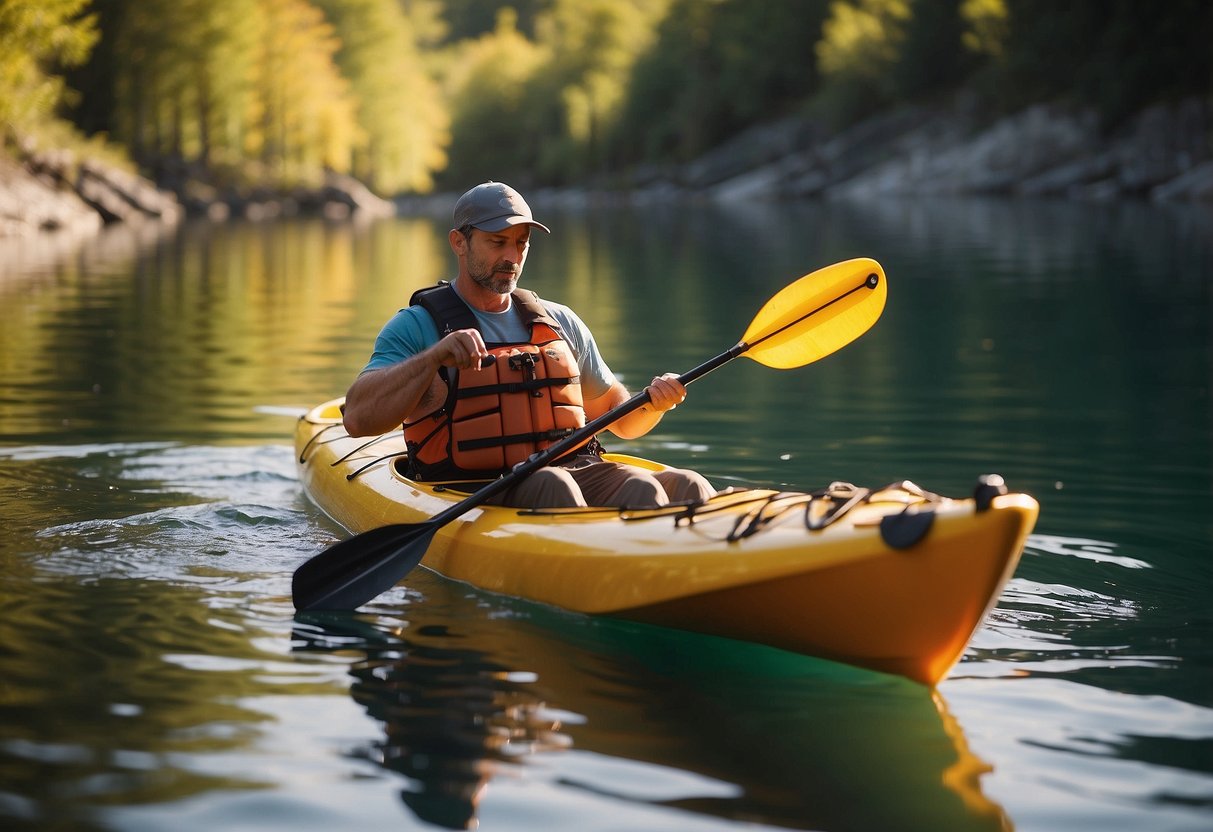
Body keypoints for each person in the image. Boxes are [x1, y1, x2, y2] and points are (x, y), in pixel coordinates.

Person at [342, 181, 715, 509]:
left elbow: (623, 421)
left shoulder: (558, 322)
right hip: (474, 486)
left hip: (574, 470)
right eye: (497, 242)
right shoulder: (418, 326)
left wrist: (657, 401)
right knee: (552, 487)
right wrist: (434, 358)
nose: (512, 257)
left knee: (681, 485)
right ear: (459, 242)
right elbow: (358, 418)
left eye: (522, 243)